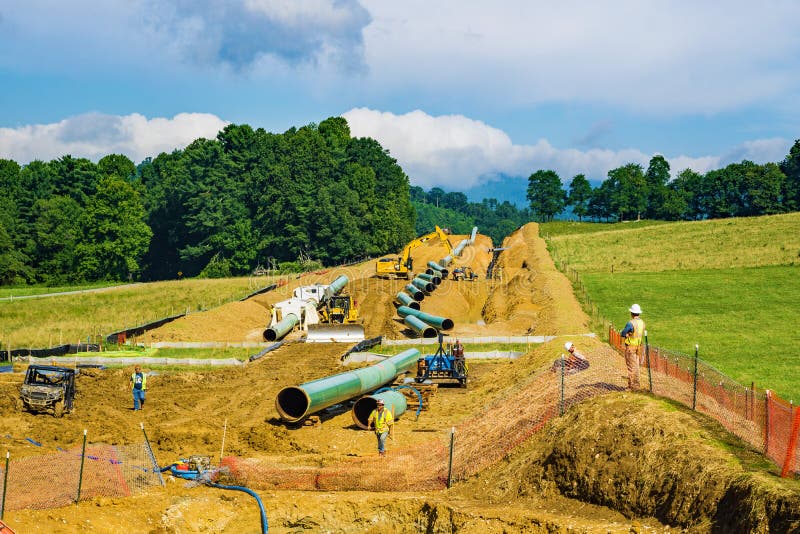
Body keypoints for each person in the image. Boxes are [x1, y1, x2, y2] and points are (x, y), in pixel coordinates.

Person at [620, 304, 645, 390]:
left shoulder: (630, 323)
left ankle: (631, 387)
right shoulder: (642, 323)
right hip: (639, 347)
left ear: (632, 313)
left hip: (631, 347)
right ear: (639, 313)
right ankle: (637, 385)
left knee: (631, 367)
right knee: (637, 366)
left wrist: (627, 334)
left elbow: (623, 333)